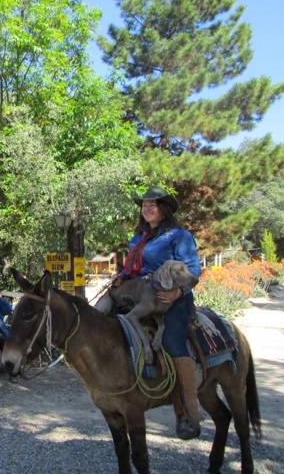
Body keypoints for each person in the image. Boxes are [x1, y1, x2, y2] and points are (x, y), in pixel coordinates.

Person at [112, 185, 203, 440]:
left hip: (170, 300)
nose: (147, 209)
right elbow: (132, 269)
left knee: (172, 342)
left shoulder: (179, 236)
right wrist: (120, 276)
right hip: (140, 295)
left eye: (152, 205)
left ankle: (186, 413)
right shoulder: (137, 239)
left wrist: (178, 293)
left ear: (163, 209)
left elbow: (193, 270)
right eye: (144, 205)